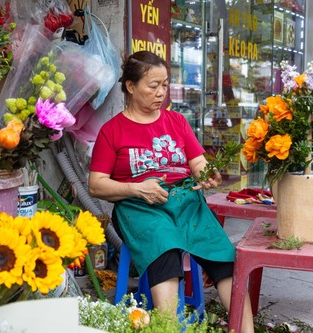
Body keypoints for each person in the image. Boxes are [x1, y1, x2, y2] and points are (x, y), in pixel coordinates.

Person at [88, 50, 254, 332]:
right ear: (131, 86)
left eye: (165, 85)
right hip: (139, 208)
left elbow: (197, 161)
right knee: (164, 251)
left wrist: (206, 172)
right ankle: (169, 328)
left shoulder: (176, 121)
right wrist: (137, 189)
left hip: (187, 203)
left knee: (225, 258)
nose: (161, 93)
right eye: (153, 86)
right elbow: (96, 184)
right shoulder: (112, 131)